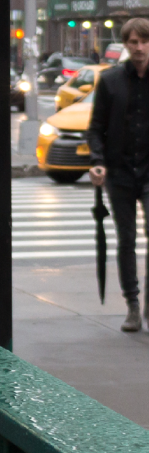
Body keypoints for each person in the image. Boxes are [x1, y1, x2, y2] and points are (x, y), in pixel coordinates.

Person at [87, 18, 149, 331]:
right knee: (126, 239)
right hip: (120, 172)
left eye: (144, 41)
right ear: (125, 45)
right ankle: (133, 305)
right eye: (133, 42)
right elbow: (96, 127)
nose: (139, 48)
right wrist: (97, 161)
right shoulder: (110, 81)